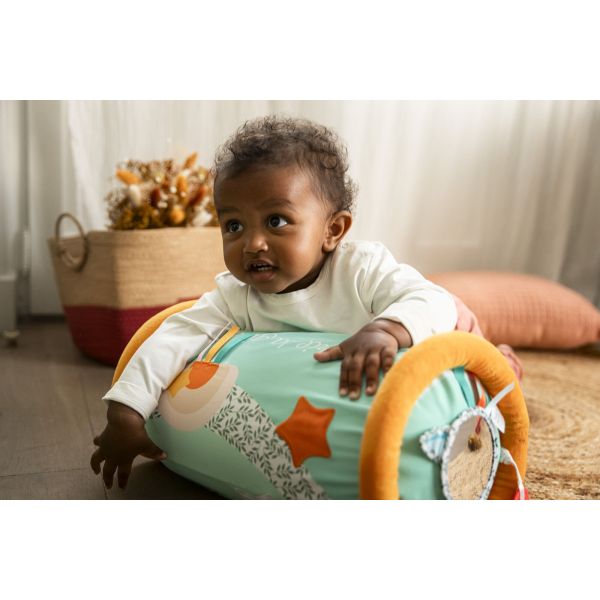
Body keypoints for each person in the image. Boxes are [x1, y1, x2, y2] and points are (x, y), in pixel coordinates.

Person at [91, 115, 477, 489]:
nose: (252, 243)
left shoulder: (361, 269)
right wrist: (126, 411)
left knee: (461, 332)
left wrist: (386, 330)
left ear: (333, 230)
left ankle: (496, 362)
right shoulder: (235, 296)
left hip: (448, 326)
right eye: (234, 226)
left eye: (276, 221)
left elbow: (429, 299)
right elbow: (173, 337)